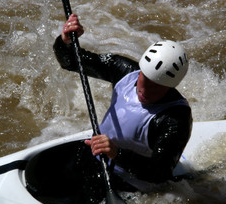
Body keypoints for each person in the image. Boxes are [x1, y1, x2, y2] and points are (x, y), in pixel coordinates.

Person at [53, 14, 192, 194]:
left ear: (171, 86)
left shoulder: (175, 118)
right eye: (145, 78)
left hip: (130, 184)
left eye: (157, 86)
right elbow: (71, 61)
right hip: (97, 157)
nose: (146, 89)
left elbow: (160, 172)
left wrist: (117, 154)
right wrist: (66, 41)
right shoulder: (123, 70)